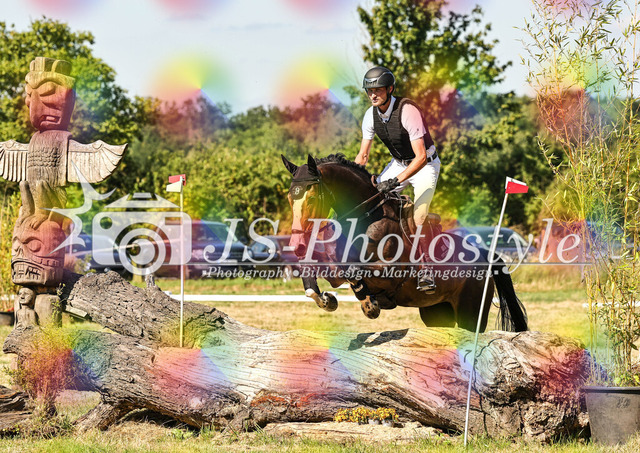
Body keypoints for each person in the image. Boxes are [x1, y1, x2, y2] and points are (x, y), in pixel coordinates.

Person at [354, 66, 441, 292]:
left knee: (419, 215)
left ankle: (426, 269)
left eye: (378, 90)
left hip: (425, 165)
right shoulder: (370, 115)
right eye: (369, 91)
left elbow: (421, 157)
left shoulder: (408, 111)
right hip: (399, 163)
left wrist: (395, 181)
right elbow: (363, 156)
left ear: (390, 89)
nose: (373, 95)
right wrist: (353, 178)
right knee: (372, 201)